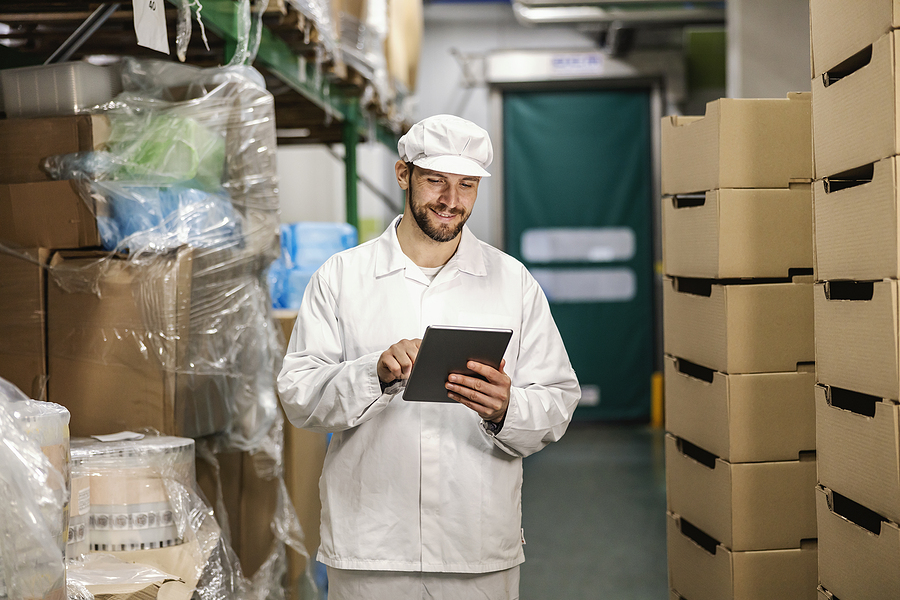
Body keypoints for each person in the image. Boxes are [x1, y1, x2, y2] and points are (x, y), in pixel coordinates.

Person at [277, 114, 580, 600]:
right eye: (436, 180)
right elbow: (298, 395)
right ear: (404, 175)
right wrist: (371, 373)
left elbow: (558, 399)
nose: (451, 200)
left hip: (477, 549)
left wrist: (507, 409)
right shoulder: (342, 278)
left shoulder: (512, 283)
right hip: (371, 550)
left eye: (466, 185)